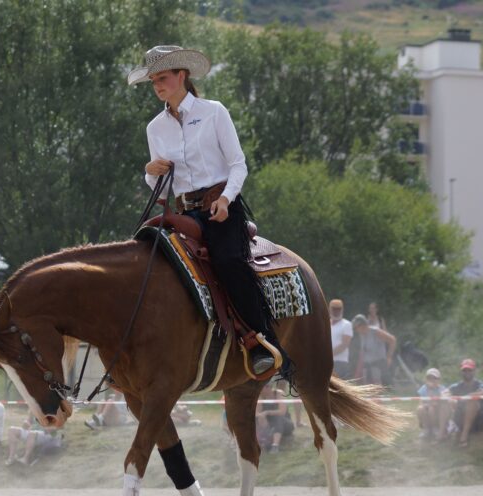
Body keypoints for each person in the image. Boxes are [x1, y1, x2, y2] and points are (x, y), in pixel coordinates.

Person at [130, 45, 290, 381]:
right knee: (147, 259)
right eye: (153, 81)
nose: (158, 85)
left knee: (230, 262)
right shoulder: (155, 128)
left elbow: (238, 164)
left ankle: (261, 342)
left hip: (220, 208)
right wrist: (150, 169)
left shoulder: (214, 112)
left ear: (182, 76)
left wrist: (226, 200)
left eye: (163, 78)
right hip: (184, 211)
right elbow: (155, 182)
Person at [447, 359, 483, 448]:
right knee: (446, 400)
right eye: (464, 370)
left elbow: (481, 392)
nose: (467, 372)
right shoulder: (456, 386)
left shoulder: (482, 384)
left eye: (469, 370)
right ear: (461, 372)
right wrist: (450, 399)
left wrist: (461, 399)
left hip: (480, 422)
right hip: (460, 421)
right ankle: (441, 433)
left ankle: (464, 436)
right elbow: (444, 393)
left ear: (474, 371)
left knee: (472, 401)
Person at [351, 314, 396, 386]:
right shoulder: (362, 335)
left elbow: (392, 340)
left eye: (356, 328)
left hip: (379, 363)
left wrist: (389, 356)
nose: (356, 330)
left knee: (382, 387)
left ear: (362, 325)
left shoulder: (375, 331)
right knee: (368, 387)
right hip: (368, 364)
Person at [415, 368, 450, 443]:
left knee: (432, 409)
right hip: (426, 410)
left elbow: (445, 399)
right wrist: (426, 405)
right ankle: (426, 429)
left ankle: (435, 428)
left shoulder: (442, 388)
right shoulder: (423, 388)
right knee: (420, 408)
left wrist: (434, 398)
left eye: (435, 378)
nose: (432, 380)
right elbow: (420, 402)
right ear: (426, 379)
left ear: (439, 380)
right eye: (429, 378)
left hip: (438, 412)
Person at [256, 384, 293, 453]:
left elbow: (282, 411)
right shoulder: (260, 397)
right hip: (270, 425)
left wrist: (267, 412)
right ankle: (264, 440)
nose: (260, 391)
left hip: (286, 424)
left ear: (269, 387)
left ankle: (275, 446)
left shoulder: (279, 393)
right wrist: (262, 418)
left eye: (261, 388)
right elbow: (257, 413)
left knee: (278, 418)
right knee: (258, 419)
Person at [329, 299, 353, 378]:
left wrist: (329, 355)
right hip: (327, 362)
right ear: (330, 309)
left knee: (338, 389)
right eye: (334, 309)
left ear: (342, 310)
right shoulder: (326, 324)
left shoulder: (347, 324)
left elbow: (344, 345)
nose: (336, 311)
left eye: (338, 309)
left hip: (340, 362)